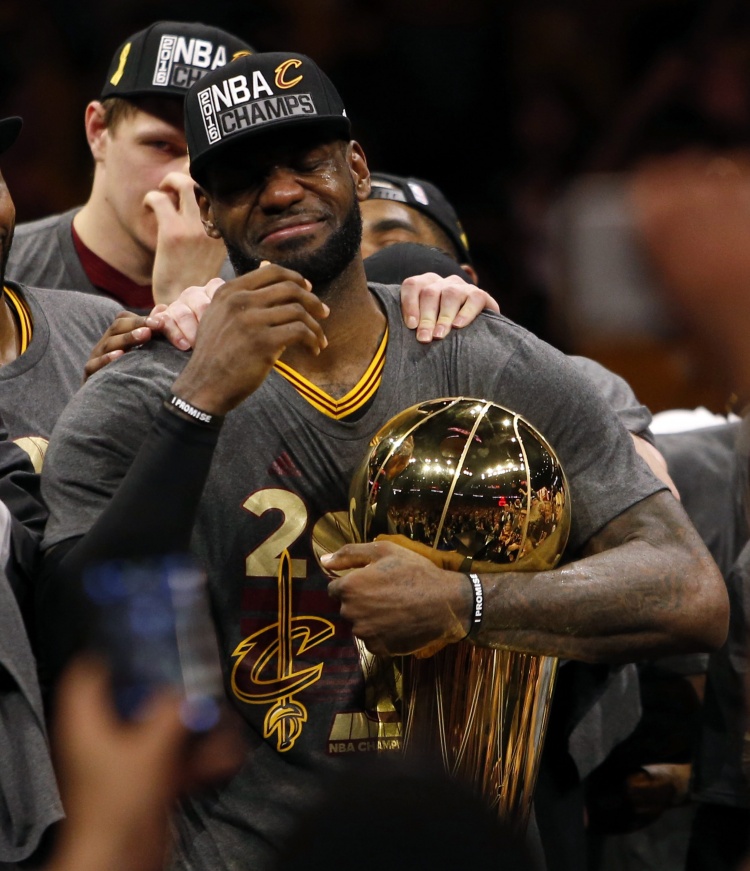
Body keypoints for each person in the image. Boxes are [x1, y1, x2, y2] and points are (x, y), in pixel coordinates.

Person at [36, 50, 728, 871]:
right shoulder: (139, 392)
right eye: (245, 179)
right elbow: (74, 643)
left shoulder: (486, 357)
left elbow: (689, 591)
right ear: (210, 213)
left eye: (306, 161)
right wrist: (197, 407)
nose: (282, 192)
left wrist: (465, 602)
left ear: (357, 169)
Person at [6, 21, 254, 310]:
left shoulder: (257, 291)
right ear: (98, 131)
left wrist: (188, 295)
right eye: (161, 145)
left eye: (216, 158)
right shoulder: (8, 269)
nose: (189, 182)